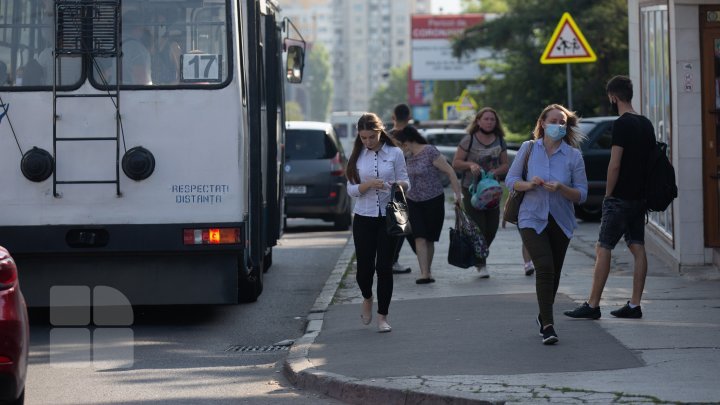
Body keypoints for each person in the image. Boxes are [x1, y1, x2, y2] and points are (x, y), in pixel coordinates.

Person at [564, 75, 656, 320]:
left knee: (603, 247)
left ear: (613, 97)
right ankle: (635, 304)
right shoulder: (646, 124)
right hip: (640, 198)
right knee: (637, 247)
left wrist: (608, 195)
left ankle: (593, 305)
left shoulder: (622, 124)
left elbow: (614, 165)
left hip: (621, 197)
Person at [506, 103, 588, 345]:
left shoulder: (574, 155)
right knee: (544, 267)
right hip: (531, 216)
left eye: (562, 122)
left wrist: (563, 188)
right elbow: (511, 180)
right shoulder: (529, 149)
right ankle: (549, 326)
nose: (558, 126)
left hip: (561, 220)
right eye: (553, 121)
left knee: (554, 272)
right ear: (542, 123)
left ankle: (543, 315)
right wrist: (529, 184)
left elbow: (582, 194)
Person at [346, 112, 410, 333]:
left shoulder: (395, 153)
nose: (368, 142)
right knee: (364, 270)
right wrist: (366, 185)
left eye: (371, 137)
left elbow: (406, 183)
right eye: (363, 138)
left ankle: (383, 316)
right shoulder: (357, 155)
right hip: (363, 218)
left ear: (380, 132)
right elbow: (351, 189)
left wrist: (391, 184)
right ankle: (367, 297)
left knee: (384, 267)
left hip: (389, 216)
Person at [394, 126, 462, 284]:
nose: (398, 148)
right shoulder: (405, 157)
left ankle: (428, 270)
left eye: (399, 144)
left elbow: (450, 172)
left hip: (433, 200)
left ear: (407, 142)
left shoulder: (429, 151)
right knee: (419, 237)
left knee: (430, 238)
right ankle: (424, 273)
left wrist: (458, 195)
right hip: (412, 201)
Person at [451, 107, 509, 278]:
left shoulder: (499, 140)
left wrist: (496, 171)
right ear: (478, 121)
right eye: (486, 119)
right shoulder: (469, 139)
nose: (489, 122)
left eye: (492, 119)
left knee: (491, 228)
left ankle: (478, 253)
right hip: (472, 189)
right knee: (478, 228)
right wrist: (470, 165)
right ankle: (481, 263)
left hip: (492, 190)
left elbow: (505, 165)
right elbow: (456, 163)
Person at [389, 103, 416, 274]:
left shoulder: (386, 137)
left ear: (393, 117)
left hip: (394, 187)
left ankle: (393, 260)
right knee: (404, 226)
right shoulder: (413, 136)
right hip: (414, 187)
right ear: (409, 117)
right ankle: (393, 261)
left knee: (401, 225)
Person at [121, 10, 152, 85]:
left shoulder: (120, 44)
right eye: (143, 25)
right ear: (137, 27)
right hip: (132, 93)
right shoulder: (136, 48)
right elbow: (141, 78)